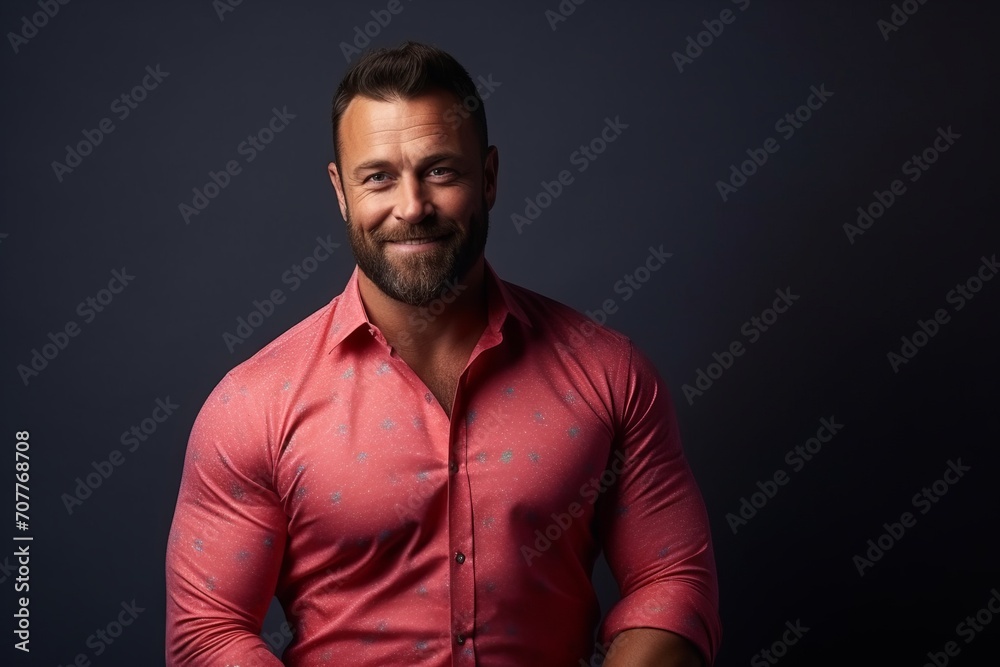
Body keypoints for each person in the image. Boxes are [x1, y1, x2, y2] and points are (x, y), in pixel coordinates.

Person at [165, 41, 721, 666]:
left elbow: (671, 581)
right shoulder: (252, 406)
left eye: (440, 171)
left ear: (487, 177)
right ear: (340, 190)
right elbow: (209, 633)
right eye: (378, 176)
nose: (411, 207)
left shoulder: (611, 376)